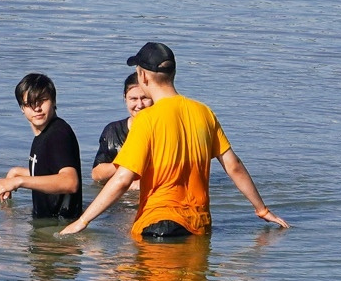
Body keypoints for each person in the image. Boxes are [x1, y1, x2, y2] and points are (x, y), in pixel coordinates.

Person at [63, 42, 285, 239]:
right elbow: (233, 166)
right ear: (174, 73)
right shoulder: (204, 112)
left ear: (142, 76)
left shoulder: (147, 119)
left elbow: (122, 179)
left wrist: (83, 221)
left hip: (157, 225)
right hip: (198, 226)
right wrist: (261, 209)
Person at [0, 73, 81, 224]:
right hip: (50, 225)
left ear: (54, 101)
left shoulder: (58, 134)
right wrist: (17, 172)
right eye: (29, 103)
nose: (37, 108)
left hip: (60, 231)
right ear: (22, 108)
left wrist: (18, 182)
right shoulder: (44, 135)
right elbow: (50, 171)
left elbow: (70, 182)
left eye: (42, 101)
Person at [92, 72, 154, 203]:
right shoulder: (112, 131)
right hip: (118, 199)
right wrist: (124, 167)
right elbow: (97, 174)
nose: (140, 105)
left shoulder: (163, 129)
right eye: (133, 99)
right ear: (125, 98)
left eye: (144, 98)